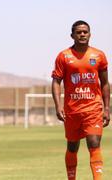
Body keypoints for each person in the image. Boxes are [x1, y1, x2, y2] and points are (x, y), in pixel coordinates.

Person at [52, 20, 110, 180]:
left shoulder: (99, 55)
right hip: (72, 110)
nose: (82, 34)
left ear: (90, 34)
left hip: (93, 109)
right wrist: (58, 106)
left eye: (85, 32)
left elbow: (105, 83)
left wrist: (107, 108)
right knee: (72, 146)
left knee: (94, 142)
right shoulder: (63, 56)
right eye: (79, 32)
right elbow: (56, 81)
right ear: (72, 35)